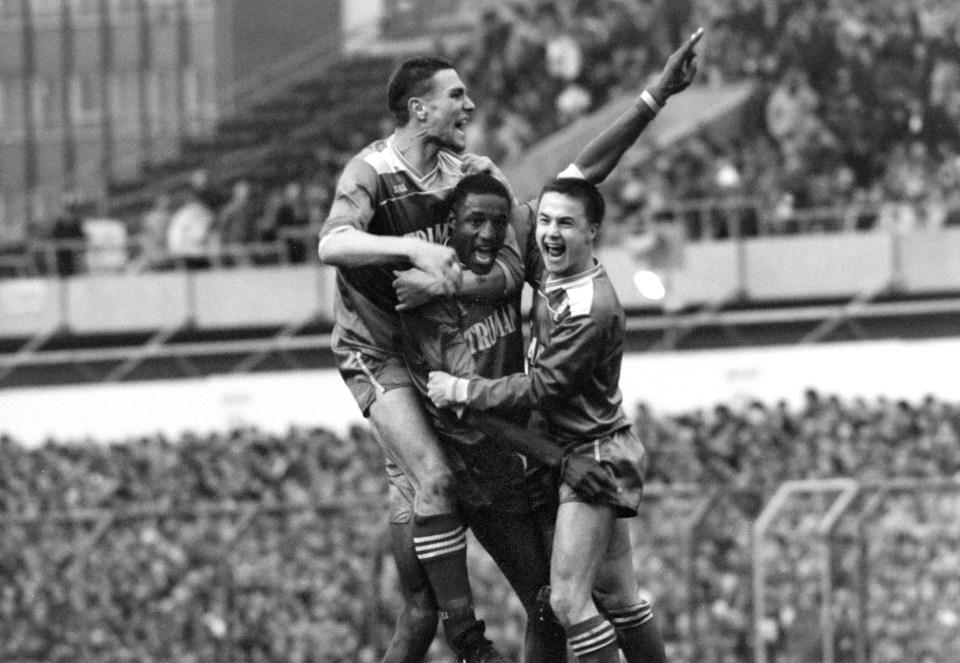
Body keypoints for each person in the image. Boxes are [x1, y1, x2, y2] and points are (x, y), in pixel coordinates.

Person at [318, 55, 522, 663]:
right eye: (457, 96)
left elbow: (513, 269)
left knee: (417, 608)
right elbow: (332, 242)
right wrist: (408, 248)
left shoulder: (475, 175)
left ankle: (452, 623)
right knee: (435, 478)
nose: (470, 107)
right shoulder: (372, 172)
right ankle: (471, 641)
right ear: (420, 108)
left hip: (439, 360)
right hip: (377, 353)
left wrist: (448, 285)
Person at [427, 178, 668, 663]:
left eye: (567, 224)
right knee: (619, 596)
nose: (551, 233)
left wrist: (462, 389)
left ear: (593, 231)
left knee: (564, 600)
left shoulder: (590, 309)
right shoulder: (555, 274)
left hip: (591, 453)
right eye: (545, 221)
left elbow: (541, 387)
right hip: (596, 444)